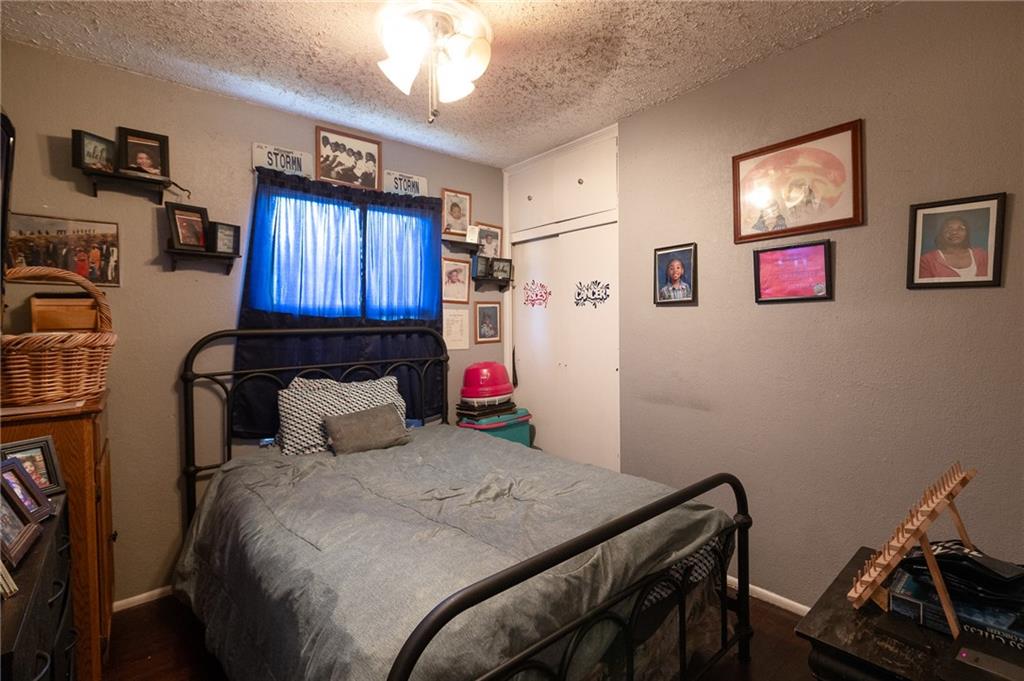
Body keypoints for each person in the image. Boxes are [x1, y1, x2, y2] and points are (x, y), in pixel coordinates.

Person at [918, 216, 988, 279]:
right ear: (941, 233)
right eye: (949, 229)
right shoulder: (927, 261)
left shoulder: (982, 255)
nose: (954, 232)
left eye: (960, 228)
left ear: (967, 233)